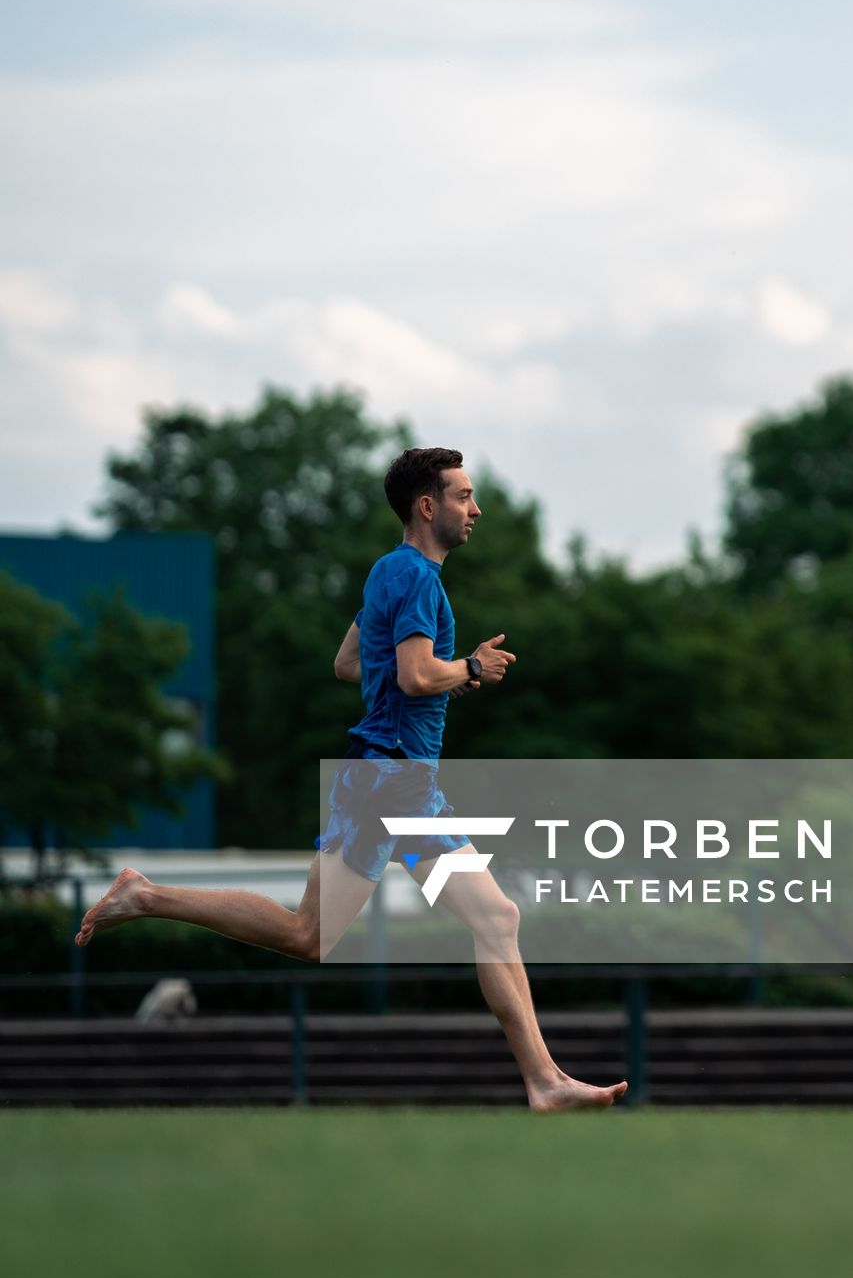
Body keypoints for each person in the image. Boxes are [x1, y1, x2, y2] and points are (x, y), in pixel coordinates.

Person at [75, 446, 628, 1113]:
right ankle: (146, 896)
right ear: (429, 506)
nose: (475, 509)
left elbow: (348, 662)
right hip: (389, 784)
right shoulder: (418, 579)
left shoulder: (387, 573)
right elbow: (415, 675)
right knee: (311, 934)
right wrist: (471, 670)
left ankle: (544, 1080)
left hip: (404, 784)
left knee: (493, 915)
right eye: (463, 497)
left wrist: (428, 681)